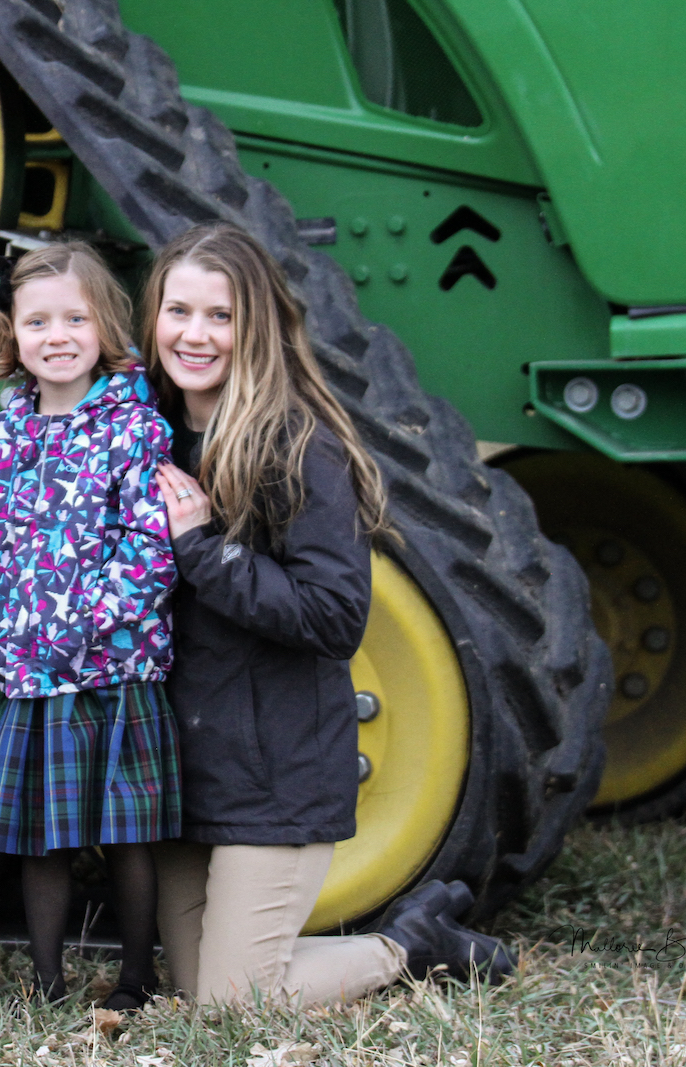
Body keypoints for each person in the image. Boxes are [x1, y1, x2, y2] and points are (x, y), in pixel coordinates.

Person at [141, 222, 516, 1008]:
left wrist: (202, 547)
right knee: (194, 983)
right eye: (179, 311)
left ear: (259, 326)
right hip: (180, 770)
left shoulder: (295, 446)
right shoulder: (144, 436)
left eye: (221, 315)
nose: (195, 335)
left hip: (273, 772)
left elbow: (334, 615)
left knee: (231, 1008)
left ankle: (409, 944)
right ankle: (289, 954)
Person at [0, 242, 179, 1011]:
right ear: (12, 335)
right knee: (43, 836)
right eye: (37, 322)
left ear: (106, 325)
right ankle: (47, 981)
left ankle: (135, 977)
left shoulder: (133, 426)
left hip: (114, 667)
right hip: (31, 672)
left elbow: (150, 548)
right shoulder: (4, 438)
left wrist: (91, 624)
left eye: (74, 318)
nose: (56, 336)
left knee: (127, 832)